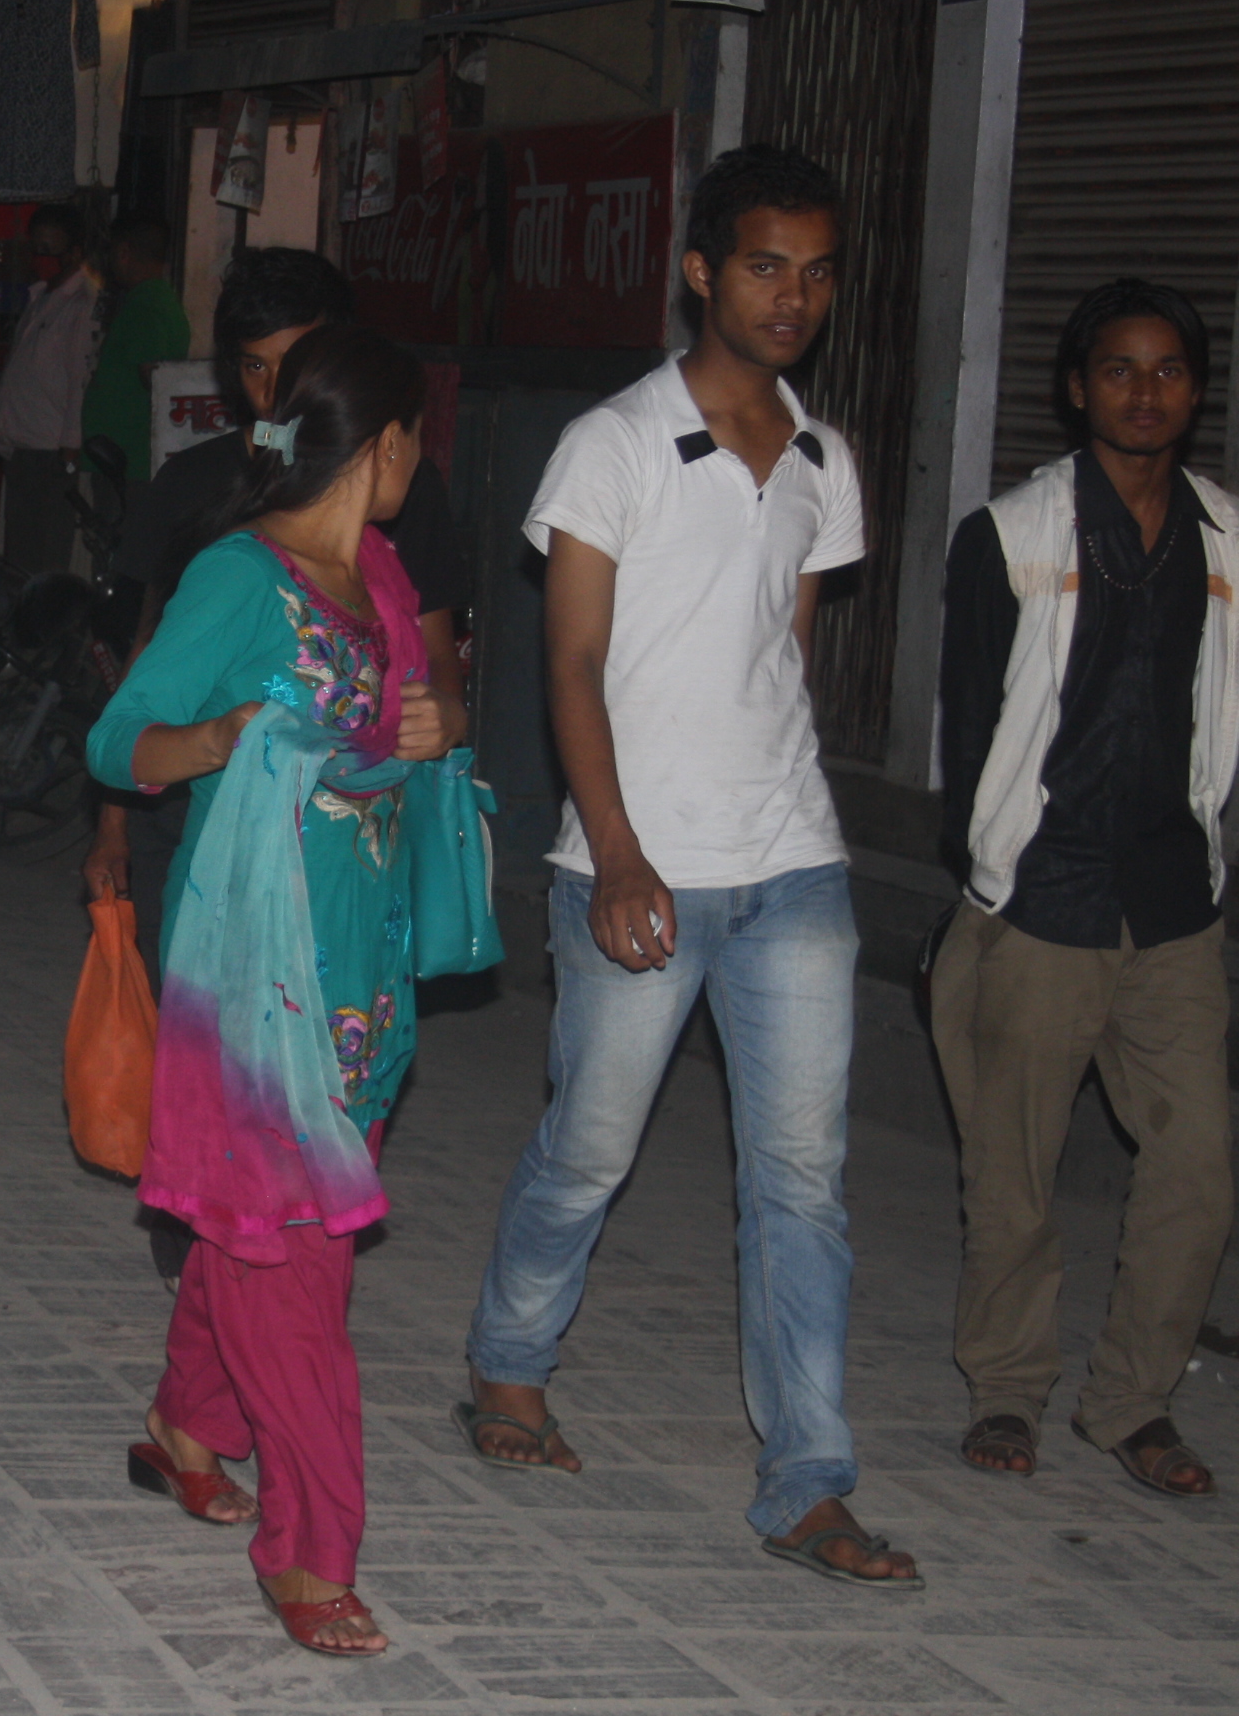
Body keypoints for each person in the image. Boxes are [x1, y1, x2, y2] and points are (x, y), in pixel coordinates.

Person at [456, 145, 920, 1587]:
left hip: (795, 867)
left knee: (803, 1182)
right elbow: (573, 661)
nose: (795, 296)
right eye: (768, 265)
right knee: (591, 1146)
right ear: (703, 271)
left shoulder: (825, 461)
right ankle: (508, 1360)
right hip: (637, 866)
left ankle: (807, 1480)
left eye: (820, 270)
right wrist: (615, 853)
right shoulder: (613, 440)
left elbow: (780, 648)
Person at [88, 325, 464, 1660]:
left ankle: (188, 1426)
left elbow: (427, 722)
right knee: (293, 1267)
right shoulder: (239, 583)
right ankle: (311, 1550)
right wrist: (219, 742)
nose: (428, 459)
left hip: (360, 964)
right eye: (421, 436)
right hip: (253, 974)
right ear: (383, 444)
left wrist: (438, 725)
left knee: (269, 1232)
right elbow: (118, 737)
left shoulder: (380, 573)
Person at [932, 278, 1234, 1498]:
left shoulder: (1223, 536)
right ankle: (1006, 1387)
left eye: (1166, 370)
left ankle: (1132, 1402)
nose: (1143, 390)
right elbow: (966, 732)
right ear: (1074, 387)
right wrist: (984, 884)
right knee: (1013, 1170)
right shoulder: (1008, 535)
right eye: (1117, 368)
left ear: (1195, 391)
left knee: (1201, 1166)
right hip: (1043, 897)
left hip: (1169, 903)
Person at [86, 247, 470, 967]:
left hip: (358, 904)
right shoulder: (217, 522)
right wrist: (117, 825)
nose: (278, 392)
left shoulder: (383, 543)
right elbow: (139, 687)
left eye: (298, 363)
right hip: (227, 877)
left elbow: (434, 663)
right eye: (256, 367)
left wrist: (446, 716)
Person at [0, 203, 100, 574]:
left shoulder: (82, 304)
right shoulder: (41, 298)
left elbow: (79, 381)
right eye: (36, 248)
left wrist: (68, 455)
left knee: (47, 561)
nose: (41, 258)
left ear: (75, 253)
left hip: (52, 454)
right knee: (18, 559)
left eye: (51, 249)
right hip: (23, 450)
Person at [79, 217, 191, 484]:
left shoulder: (146, 307)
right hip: (124, 458)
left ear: (124, 253)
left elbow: (153, 374)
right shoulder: (155, 301)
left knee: (122, 525)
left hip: (129, 461)